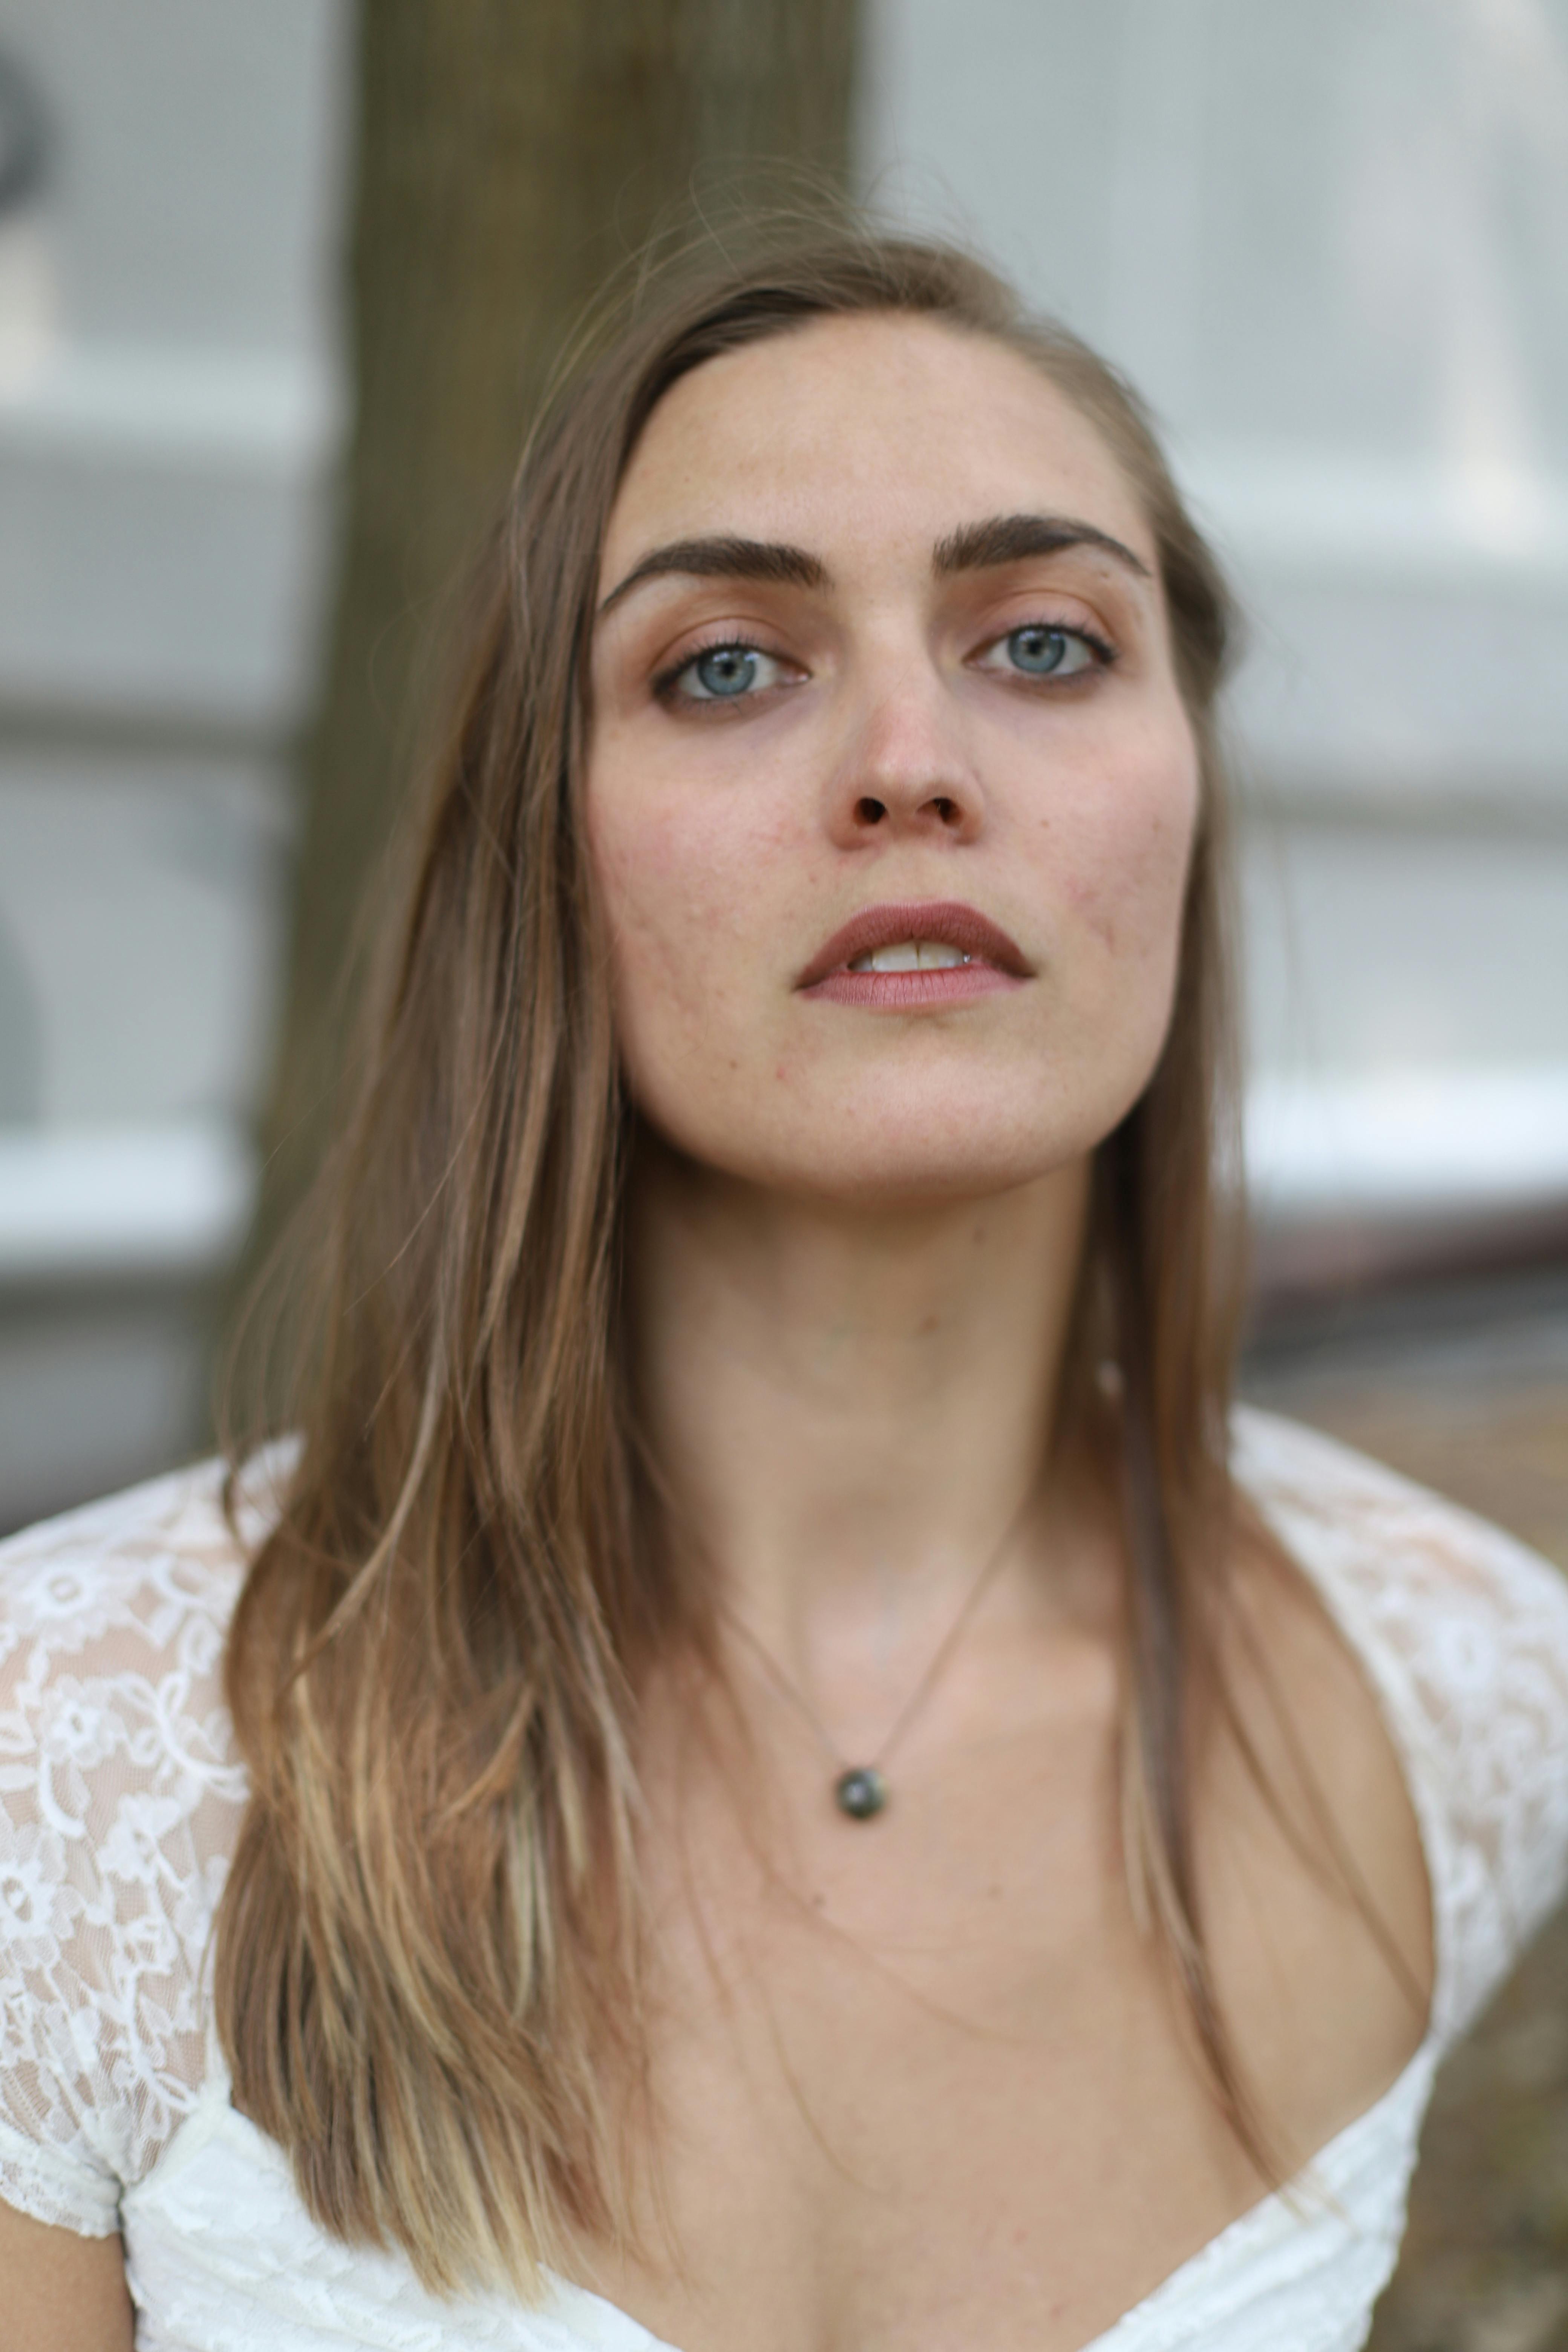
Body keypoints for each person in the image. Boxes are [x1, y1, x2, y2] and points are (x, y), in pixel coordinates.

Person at [2, 218, 1566, 2352]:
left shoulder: (1466, 1702)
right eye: (727, 663)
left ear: (1185, 790)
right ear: (542, 851)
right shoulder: (62, 1764)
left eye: (1042, 645)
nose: (911, 765)